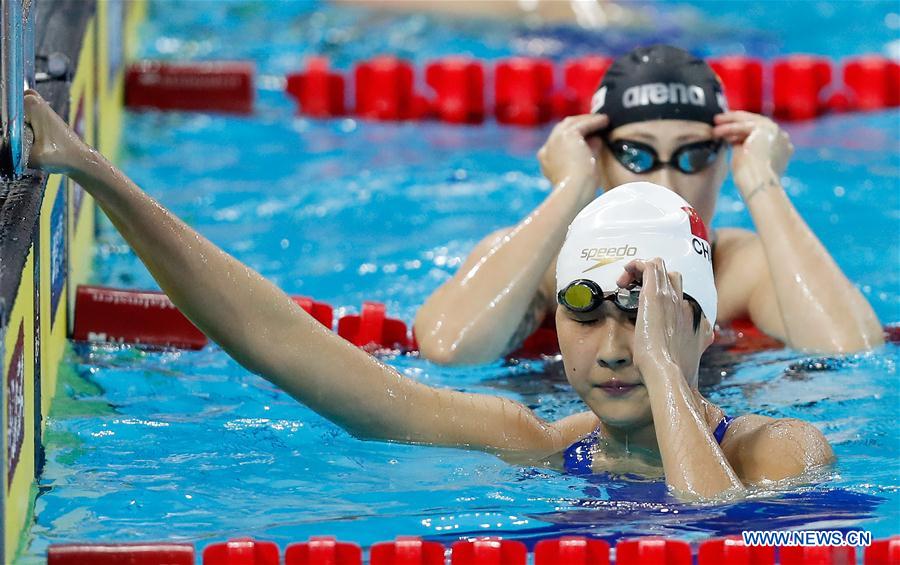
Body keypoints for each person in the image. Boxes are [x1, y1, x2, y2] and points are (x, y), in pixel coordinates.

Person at [24, 91, 833, 500]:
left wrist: (665, 372)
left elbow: (709, 527)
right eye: (587, 310)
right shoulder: (538, 440)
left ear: (706, 331)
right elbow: (283, 345)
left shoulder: (786, 453)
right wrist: (99, 177)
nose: (619, 346)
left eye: (649, 316)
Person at [414, 45, 884, 366]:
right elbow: (450, 349)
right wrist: (573, 187)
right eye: (636, 155)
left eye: (695, 155)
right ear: (599, 155)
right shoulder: (541, 260)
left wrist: (762, 182)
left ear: (724, 162)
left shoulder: (742, 269)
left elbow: (850, 352)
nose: (666, 182)